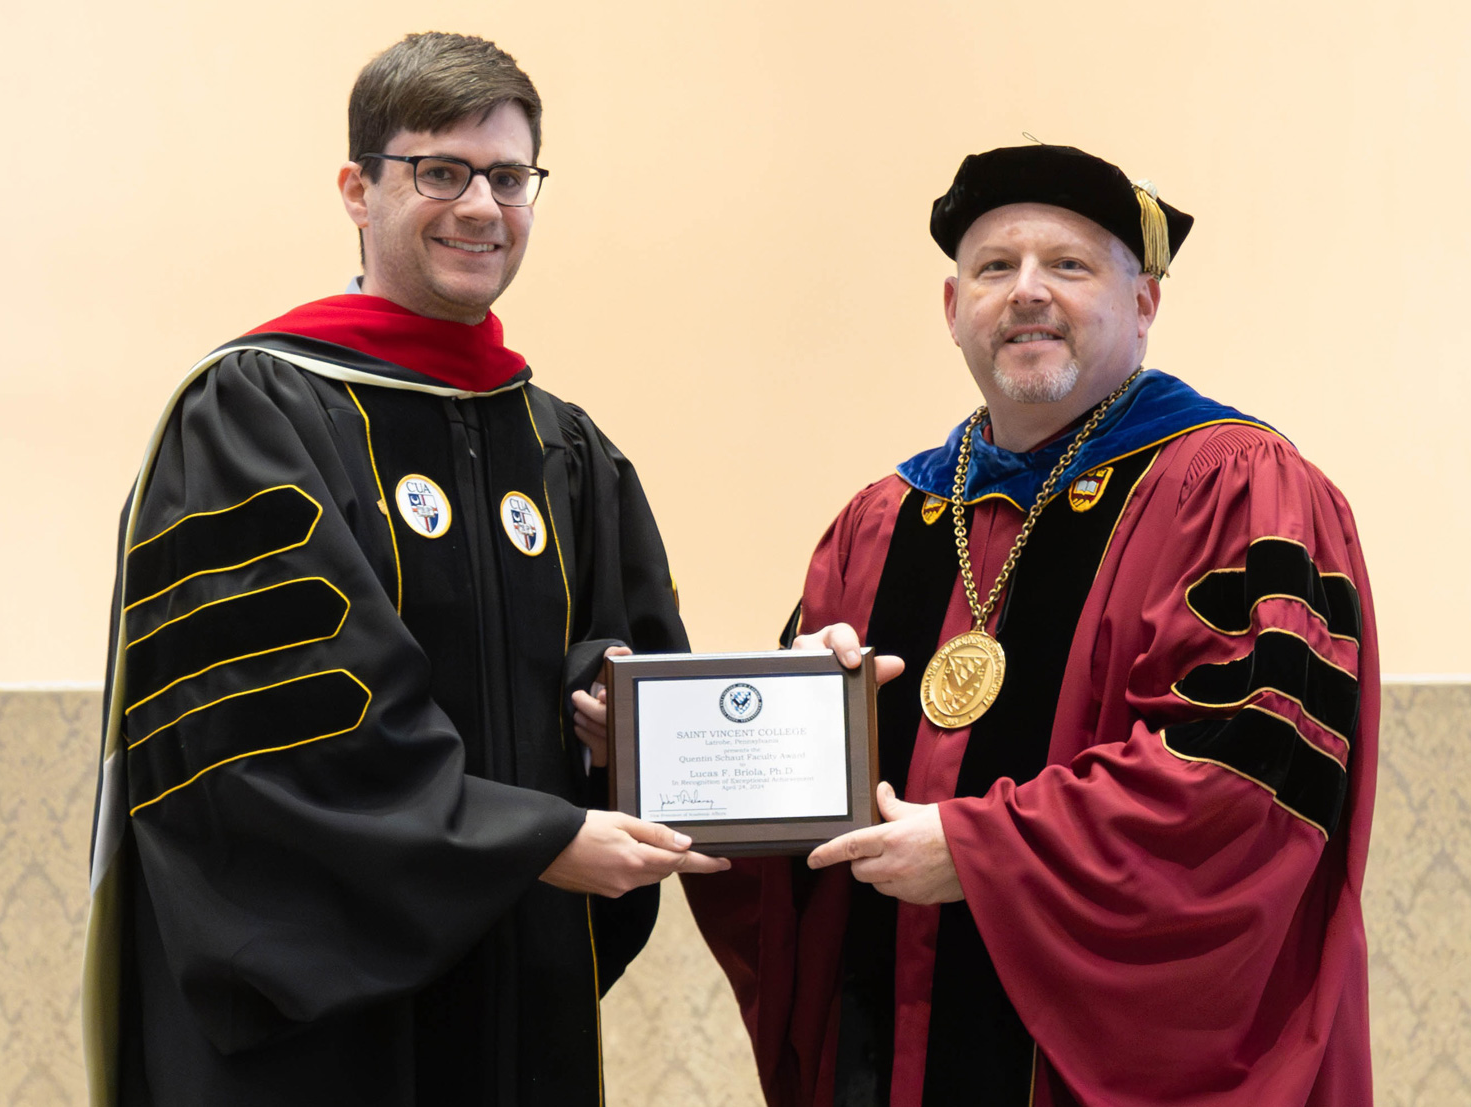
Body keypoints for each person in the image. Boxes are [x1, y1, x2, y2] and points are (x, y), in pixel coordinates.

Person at [81, 31, 725, 1107]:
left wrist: (620, 718)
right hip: (322, 1023)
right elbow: (267, 720)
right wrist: (532, 837)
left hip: (520, 980)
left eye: (509, 178)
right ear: (357, 187)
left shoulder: (559, 444)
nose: (482, 206)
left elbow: (625, 645)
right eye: (440, 171)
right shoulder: (255, 410)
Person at [682, 144, 1378, 1106]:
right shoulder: (882, 523)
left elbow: (1244, 774)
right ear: (951, 307)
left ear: (1145, 305)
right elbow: (768, 833)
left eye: (1070, 265)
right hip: (884, 1048)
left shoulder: (1236, 488)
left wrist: (980, 854)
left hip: (1098, 1063)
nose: (1027, 293)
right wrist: (712, 741)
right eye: (995, 267)